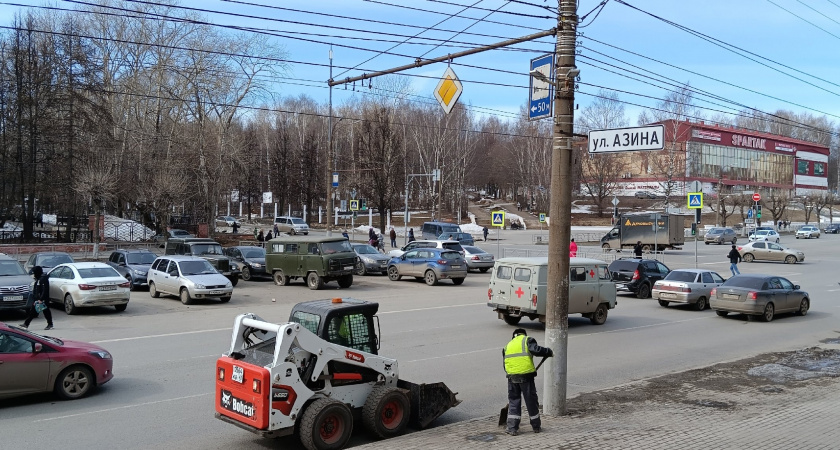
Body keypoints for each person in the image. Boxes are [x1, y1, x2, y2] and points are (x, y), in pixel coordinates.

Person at [503, 328, 552, 436]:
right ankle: (536, 427)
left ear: (513, 336)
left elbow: (504, 365)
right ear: (523, 334)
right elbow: (536, 350)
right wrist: (548, 351)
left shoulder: (507, 346)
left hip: (512, 378)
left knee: (514, 401)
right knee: (531, 401)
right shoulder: (527, 340)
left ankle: (512, 428)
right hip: (526, 377)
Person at [21, 266, 54, 330]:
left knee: (45, 311)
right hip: (38, 299)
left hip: (42, 300)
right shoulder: (39, 279)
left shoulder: (43, 279)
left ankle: (50, 324)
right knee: (34, 312)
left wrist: (41, 299)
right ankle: (26, 324)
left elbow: (44, 290)